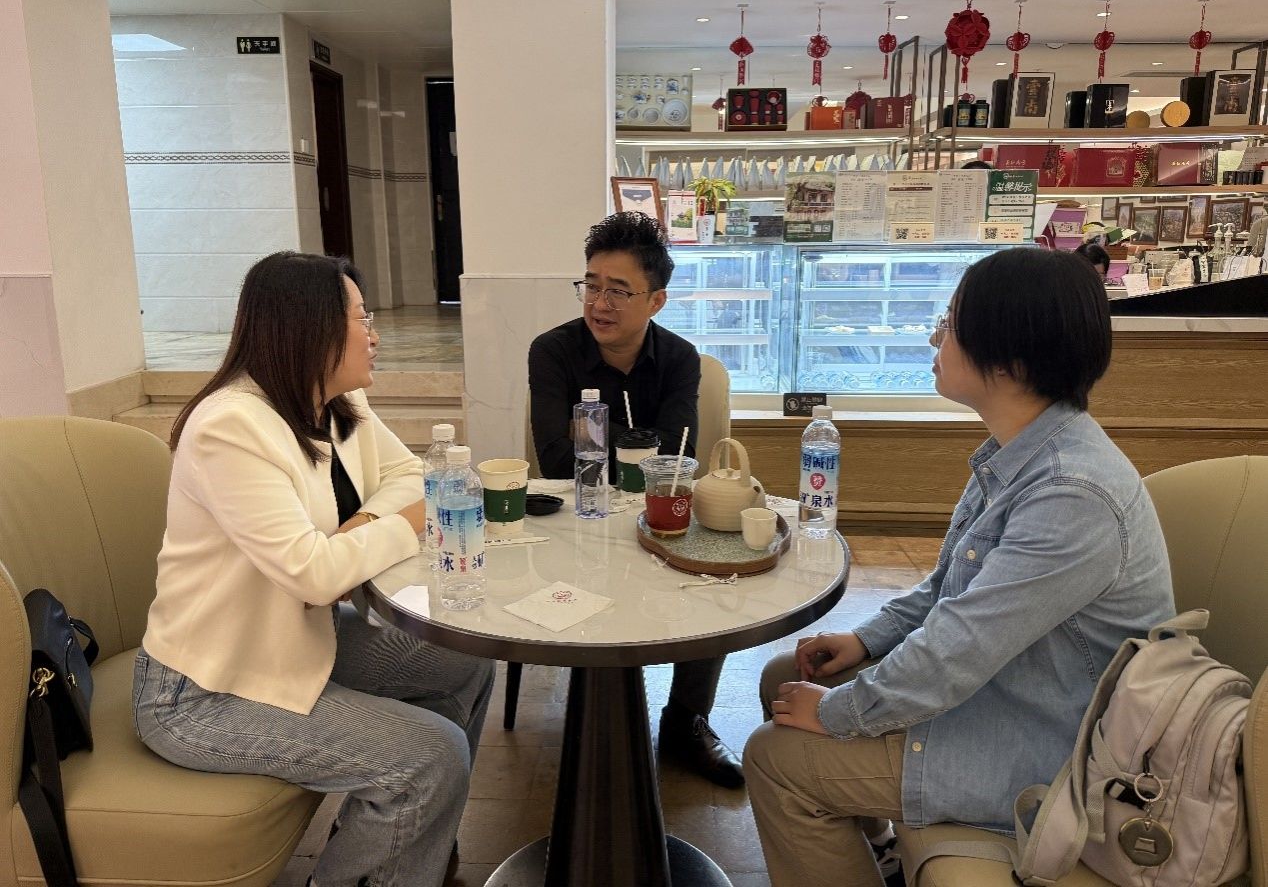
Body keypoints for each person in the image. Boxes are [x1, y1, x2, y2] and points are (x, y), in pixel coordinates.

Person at [743, 247, 1175, 887]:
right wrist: (866, 640)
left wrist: (837, 713)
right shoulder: (1022, 452)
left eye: (948, 323)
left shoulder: (1072, 494)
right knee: (786, 674)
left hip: (1051, 744)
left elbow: (959, 649)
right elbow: (948, 591)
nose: (933, 338)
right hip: (1011, 690)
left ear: (1011, 357)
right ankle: (876, 851)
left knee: (775, 757)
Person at [133, 252, 494, 887]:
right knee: (430, 755)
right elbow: (314, 574)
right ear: (312, 328)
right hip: (204, 691)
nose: (375, 335)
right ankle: (388, 849)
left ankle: (401, 845)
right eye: (362, 318)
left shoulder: (336, 401)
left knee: (463, 658)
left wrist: (359, 526)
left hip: (295, 644)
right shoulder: (230, 427)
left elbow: (410, 473)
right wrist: (406, 523)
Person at [527, 211, 743, 788]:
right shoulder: (552, 352)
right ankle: (596, 722)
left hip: (659, 514)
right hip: (575, 519)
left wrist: (602, 441)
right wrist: (639, 448)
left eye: (618, 291)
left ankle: (686, 722)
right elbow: (555, 460)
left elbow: (679, 454)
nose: (599, 303)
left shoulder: (680, 359)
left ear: (656, 301)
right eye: (591, 285)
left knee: (714, 582)